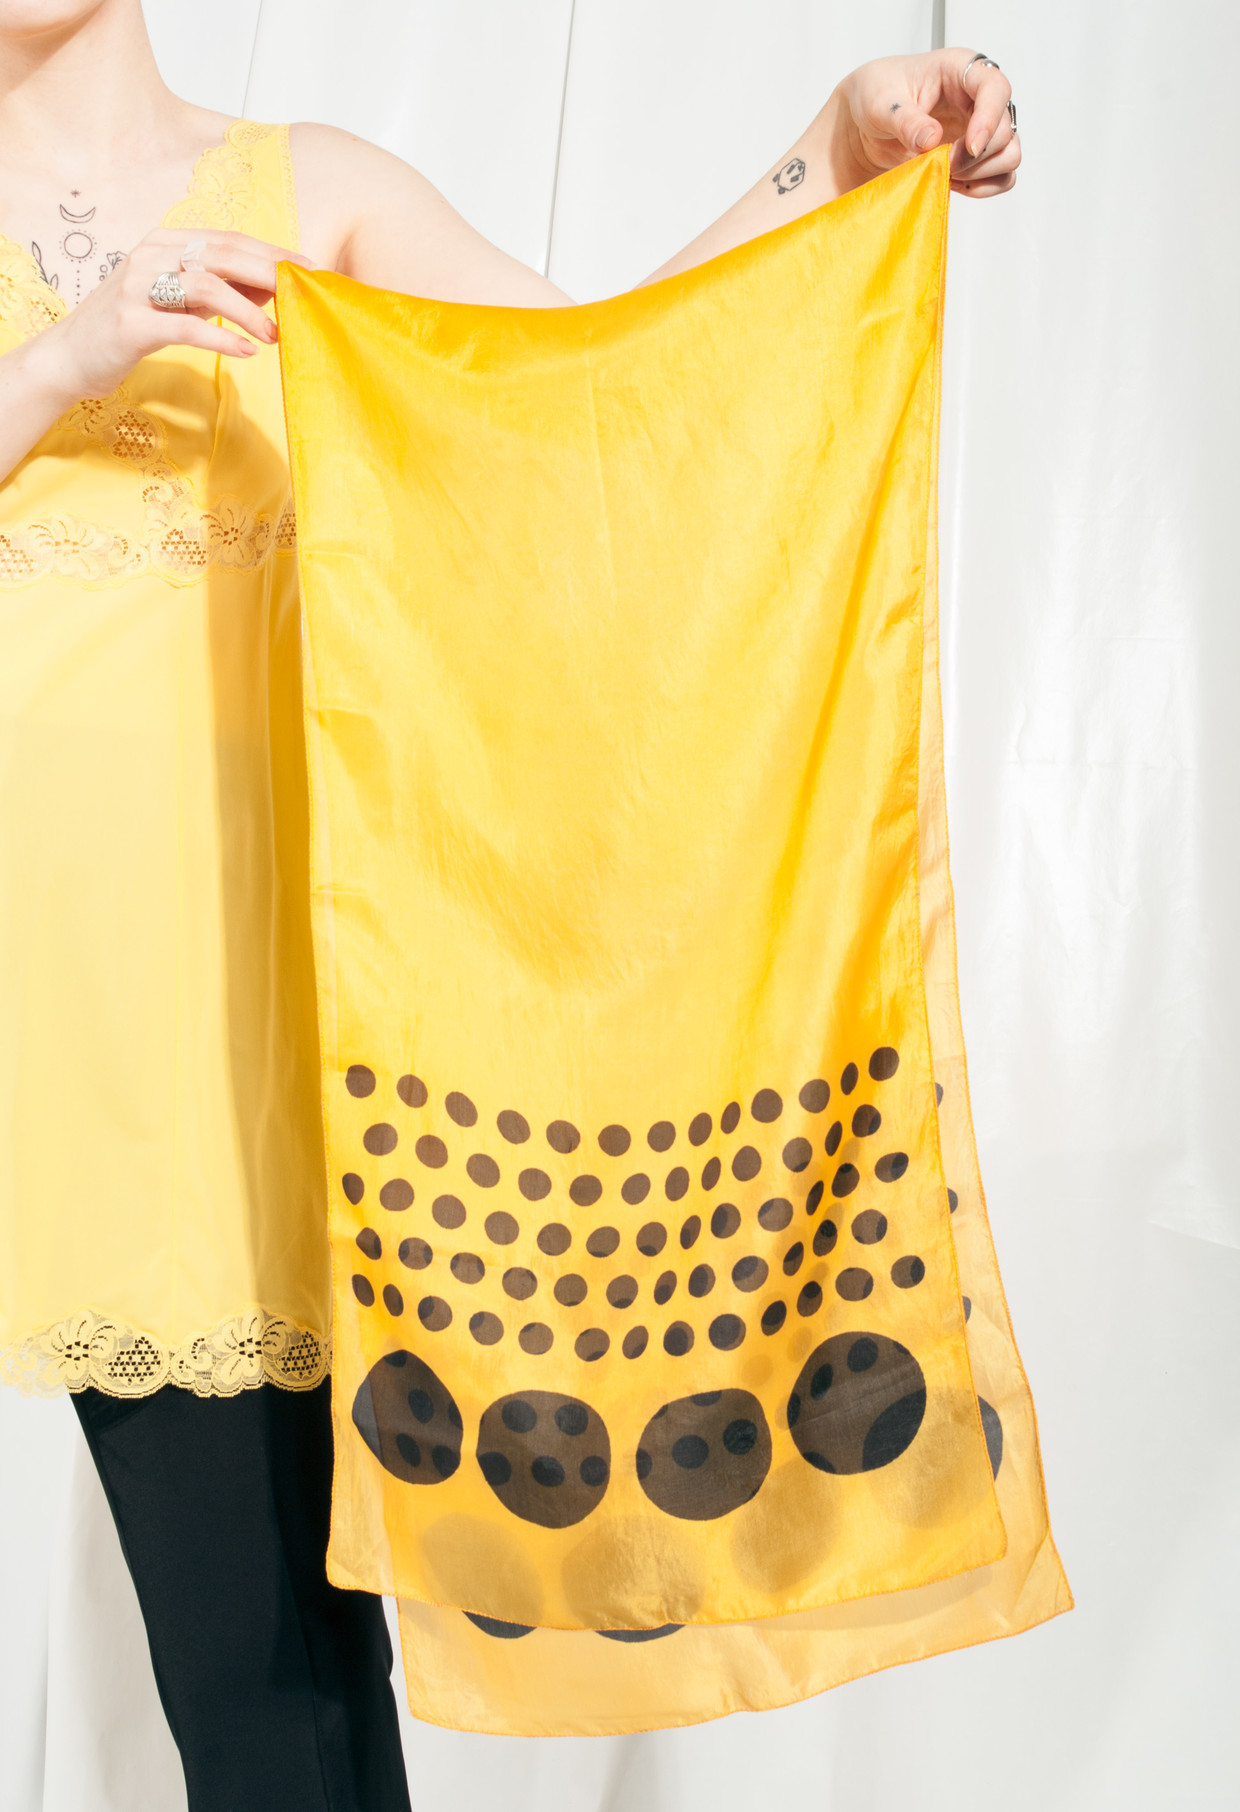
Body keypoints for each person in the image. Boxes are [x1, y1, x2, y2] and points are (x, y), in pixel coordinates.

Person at [0, 2, 1019, 1807]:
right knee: (261, 1690)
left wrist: (830, 156)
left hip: (322, 1027)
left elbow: (595, 401)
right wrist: (69, 354)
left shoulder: (310, 192)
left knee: (286, 1691)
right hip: (76, 1038)